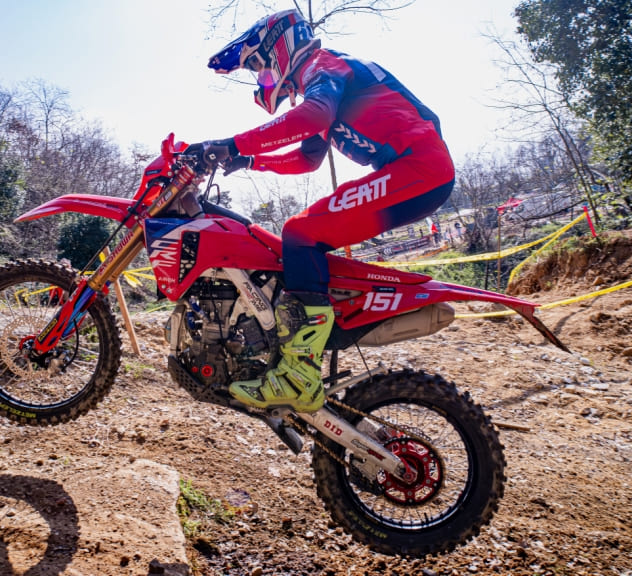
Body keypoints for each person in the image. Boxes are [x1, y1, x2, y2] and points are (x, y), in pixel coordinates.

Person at [190, 10, 454, 412]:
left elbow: (313, 116)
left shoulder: (322, 64)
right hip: (415, 169)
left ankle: (299, 372)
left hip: (417, 168)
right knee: (302, 233)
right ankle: (304, 343)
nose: (263, 80)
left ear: (280, 49)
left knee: (301, 232)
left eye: (260, 68)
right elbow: (307, 159)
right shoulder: (321, 79)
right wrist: (251, 161)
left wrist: (233, 144)